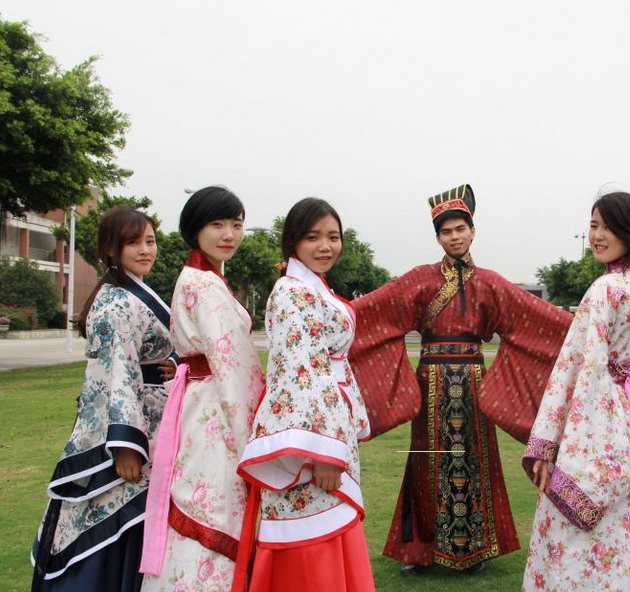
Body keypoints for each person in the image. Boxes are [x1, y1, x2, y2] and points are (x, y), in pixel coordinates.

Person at [348, 184, 573, 574]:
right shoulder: (418, 280)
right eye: (446, 231)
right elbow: (373, 310)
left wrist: (585, 328)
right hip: (430, 383)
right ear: (438, 237)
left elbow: (535, 316)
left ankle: (474, 551)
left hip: (472, 384)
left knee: (475, 464)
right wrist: (326, 319)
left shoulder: (490, 282)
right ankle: (419, 552)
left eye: (460, 229)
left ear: (472, 231)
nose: (454, 236)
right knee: (425, 466)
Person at [521, 191, 630, 592]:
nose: (598, 235)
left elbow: (579, 368)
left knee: (575, 545)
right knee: (628, 532)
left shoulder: (606, 289)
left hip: (603, 425)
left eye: (608, 226)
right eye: (593, 225)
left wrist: (549, 444)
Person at [31, 207, 176, 592]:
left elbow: (150, 354)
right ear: (111, 249)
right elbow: (116, 374)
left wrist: (174, 365)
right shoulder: (116, 303)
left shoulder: (134, 293)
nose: (146, 250)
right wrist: (127, 444)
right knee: (114, 524)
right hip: (130, 436)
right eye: (133, 242)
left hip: (155, 423)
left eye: (150, 241)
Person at [236, 198, 375, 591]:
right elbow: (297, 374)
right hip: (313, 443)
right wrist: (321, 454)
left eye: (333, 237)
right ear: (293, 242)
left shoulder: (312, 288)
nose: (325, 246)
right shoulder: (291, 292)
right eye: (313, 237)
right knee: (312, 541)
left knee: (329, 527)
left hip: (329, 427)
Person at [139, 186, 264, 592]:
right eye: (217, 224)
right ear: (195, 230)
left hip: (200, 404)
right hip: (217, 410)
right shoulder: (205, 285)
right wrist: (253, 438)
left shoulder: (201, 277)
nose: (229, 234)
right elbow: (233, 366)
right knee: (214, 506)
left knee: (201, 501)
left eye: (236, 224)